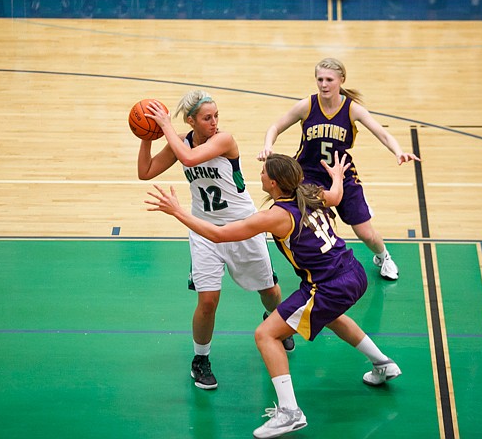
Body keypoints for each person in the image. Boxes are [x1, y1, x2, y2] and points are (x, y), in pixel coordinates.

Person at [146, 153, 402, 439]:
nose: (260, 174)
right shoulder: (311, 192)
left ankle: (290, 412)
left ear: (274, 182)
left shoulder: (276, 216)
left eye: (264, 172)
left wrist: (178, 212)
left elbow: (219, 236)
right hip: (354, 272)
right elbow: (337, 195)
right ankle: (383, 364)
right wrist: (338, 176)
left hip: (327, 285)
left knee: (266, 334)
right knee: (333, 317)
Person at [137, 90, 294, 390]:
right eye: (208, 118)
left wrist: (165, 126)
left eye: (216, 116)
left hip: (242, 226)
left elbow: (189, 157)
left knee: (270, 292)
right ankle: (200, 359)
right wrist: (148, 133)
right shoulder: (180, 141)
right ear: (192, 120)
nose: (215, 122)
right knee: (207, 301)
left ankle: (275, 319)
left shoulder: (224, 140)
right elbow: (145, 172)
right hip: (204, 228)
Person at [258, 58, 420, 281]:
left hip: (341, 175)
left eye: (329, 80)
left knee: (365, 233)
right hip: (307, 177)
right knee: (303, 226)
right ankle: (307, 268)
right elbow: (275, 126)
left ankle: (383, 256)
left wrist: (398, 151)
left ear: (341, 80)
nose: (324, 85)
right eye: (320, 79)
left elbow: (381, 133)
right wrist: (268, 146)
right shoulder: (307, 105)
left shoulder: (353, 110)